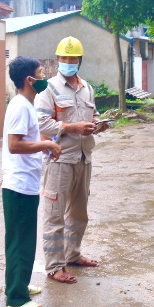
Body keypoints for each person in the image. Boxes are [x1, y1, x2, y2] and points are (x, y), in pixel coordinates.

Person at [35, 36, 110, 284]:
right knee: (54, 215)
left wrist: (98, 125)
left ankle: (73, 254)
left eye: (73, 58)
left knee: (79, 213)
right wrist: (72, 127)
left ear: (80, 61)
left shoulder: (87, 87)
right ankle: (55, 267)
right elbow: (42, 122)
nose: (68, 62)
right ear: (57, 61)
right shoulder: (46, 88)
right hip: (59, 159)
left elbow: (93, 114)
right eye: (64, 58)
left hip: (83, 158)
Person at [1, 56, 61, 307]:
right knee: (20, 242)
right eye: (40, 73)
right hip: (18, 187)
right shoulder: (20, 106)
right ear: (29, 80)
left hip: (26, 184)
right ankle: (16, 298)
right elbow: (14, 145)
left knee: (23, 239)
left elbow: (26, 142)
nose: (43, 77)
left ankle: (19, 285)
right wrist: (46, 144)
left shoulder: (26, 103)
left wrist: (42, 147)